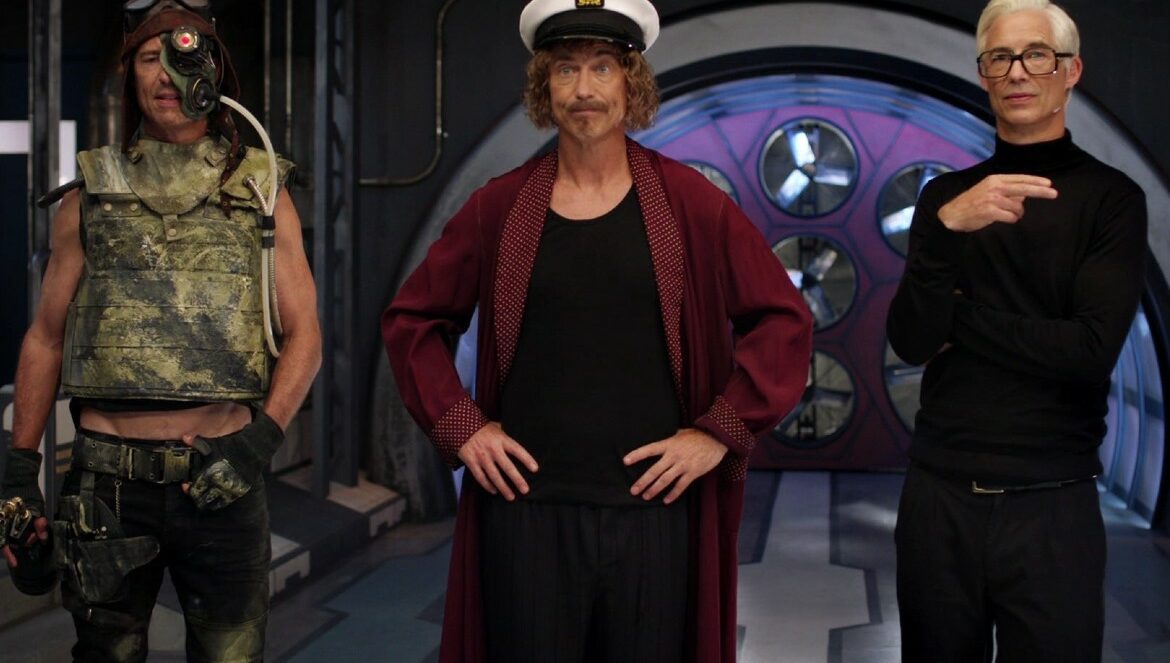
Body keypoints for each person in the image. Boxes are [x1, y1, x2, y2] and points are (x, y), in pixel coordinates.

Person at [382, 1, 812, 661]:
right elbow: (413, 319)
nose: (584, 88)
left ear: (631, 83)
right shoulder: (499, 206)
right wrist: (462, 426)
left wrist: (717, 432)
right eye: (566, 69)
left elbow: (783, 319)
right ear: (545, 87)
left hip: (655, 516)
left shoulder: (689, 203)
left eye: (603, 67)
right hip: (526, 515)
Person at [0, 1, 321, 661]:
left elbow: (305, 335)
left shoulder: (263, 191)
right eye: (149, 58)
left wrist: (256, 445)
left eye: (182, 57)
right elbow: (46, 337)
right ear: (130, 75)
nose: (166, 74)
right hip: (107, 489)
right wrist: (18, 473)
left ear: (213, 72)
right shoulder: (88, 195)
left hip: (223, 480)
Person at [887, 0, 1147, 660]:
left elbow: (1088, 352)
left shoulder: (1112, 199)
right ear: (984, 75)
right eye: (999, 58)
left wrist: (961, 316)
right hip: (939, 497)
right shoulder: (946, 201)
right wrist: (947, 231)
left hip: (1052, 504)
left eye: (1036, 55)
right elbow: (911, 340)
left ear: (1071, 71)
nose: (1018, 72)